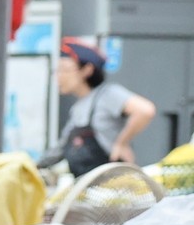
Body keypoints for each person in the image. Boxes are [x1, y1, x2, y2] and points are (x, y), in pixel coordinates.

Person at [54, 40, 157, 171]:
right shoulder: (77, 108)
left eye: (64, 70)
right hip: (89, 186)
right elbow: (61, 147)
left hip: (115, 184)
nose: (59, 77)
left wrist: (121, 143)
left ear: (87, 70)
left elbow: (145, 110)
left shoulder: (108, 95)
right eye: (57, 71)